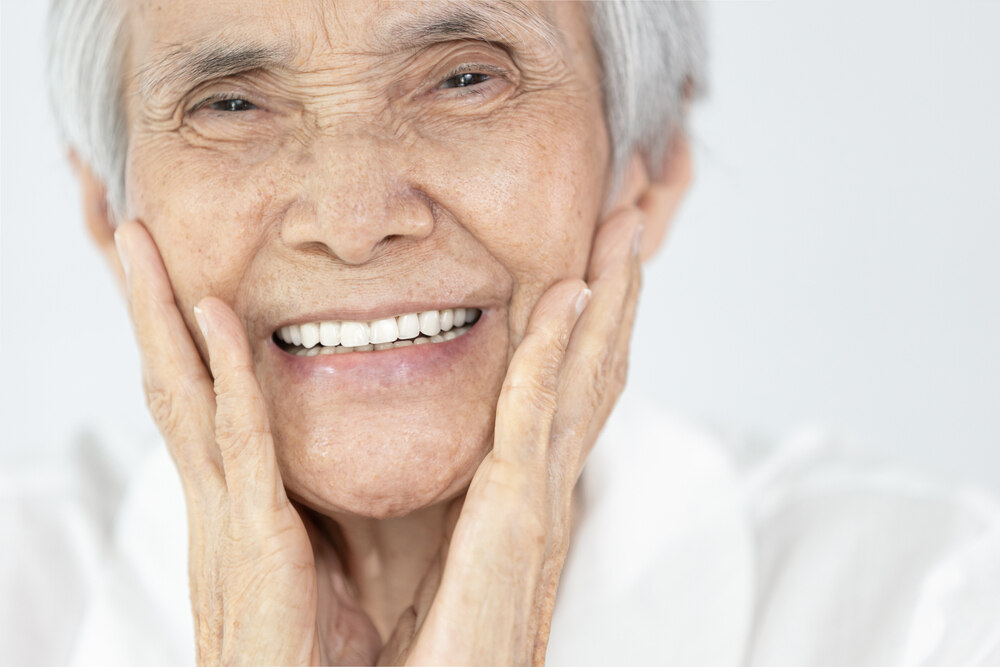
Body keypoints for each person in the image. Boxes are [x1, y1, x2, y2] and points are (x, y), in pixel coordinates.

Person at [8, 1, 998, 665]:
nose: (353, 219)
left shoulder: (937, 610)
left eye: (465, 80)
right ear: (105, 205)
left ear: (649, 162)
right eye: (229, 102)